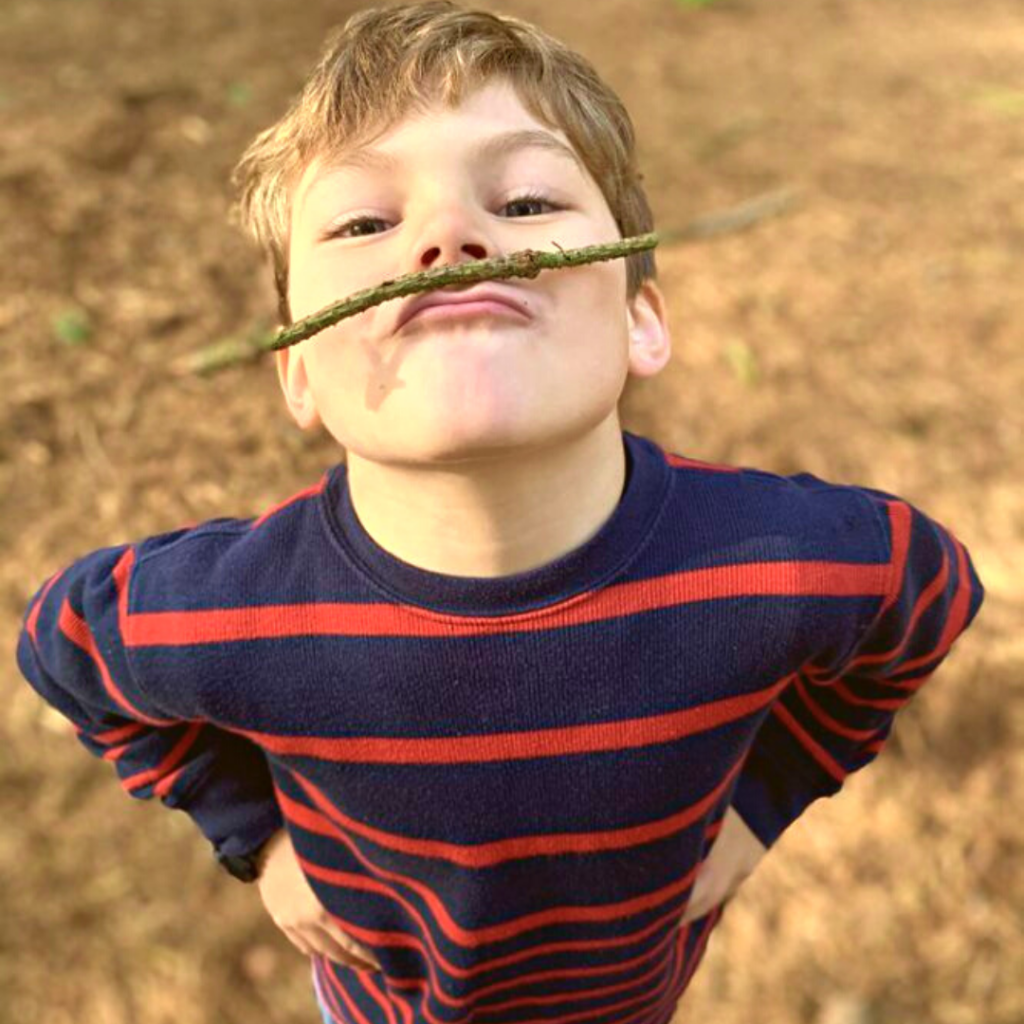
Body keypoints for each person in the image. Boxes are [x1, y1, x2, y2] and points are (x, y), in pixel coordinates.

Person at [15, 3, 985, 1023]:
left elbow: (927, 599)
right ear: (297, 369)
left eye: (525, 202)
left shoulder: (778, 565)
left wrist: (763, 804)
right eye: (363, 223)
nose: (449, 235)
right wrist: (252, 837)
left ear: (639, 320)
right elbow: (62, 645)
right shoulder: (229, 612)